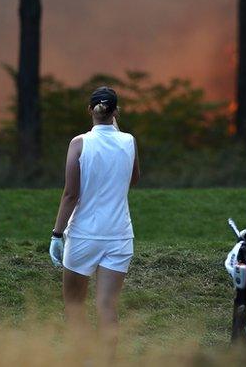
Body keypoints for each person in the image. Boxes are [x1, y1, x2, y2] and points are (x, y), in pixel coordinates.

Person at [49, 86, 140, 348]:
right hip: (119, 236)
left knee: (75, 306)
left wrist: (56, 234)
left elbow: (70, 194)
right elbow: (133, 178)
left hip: (83, 235)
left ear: (90, 110)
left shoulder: (79, 143)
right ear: (116, 111)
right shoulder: (129, 141)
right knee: (108, 307)